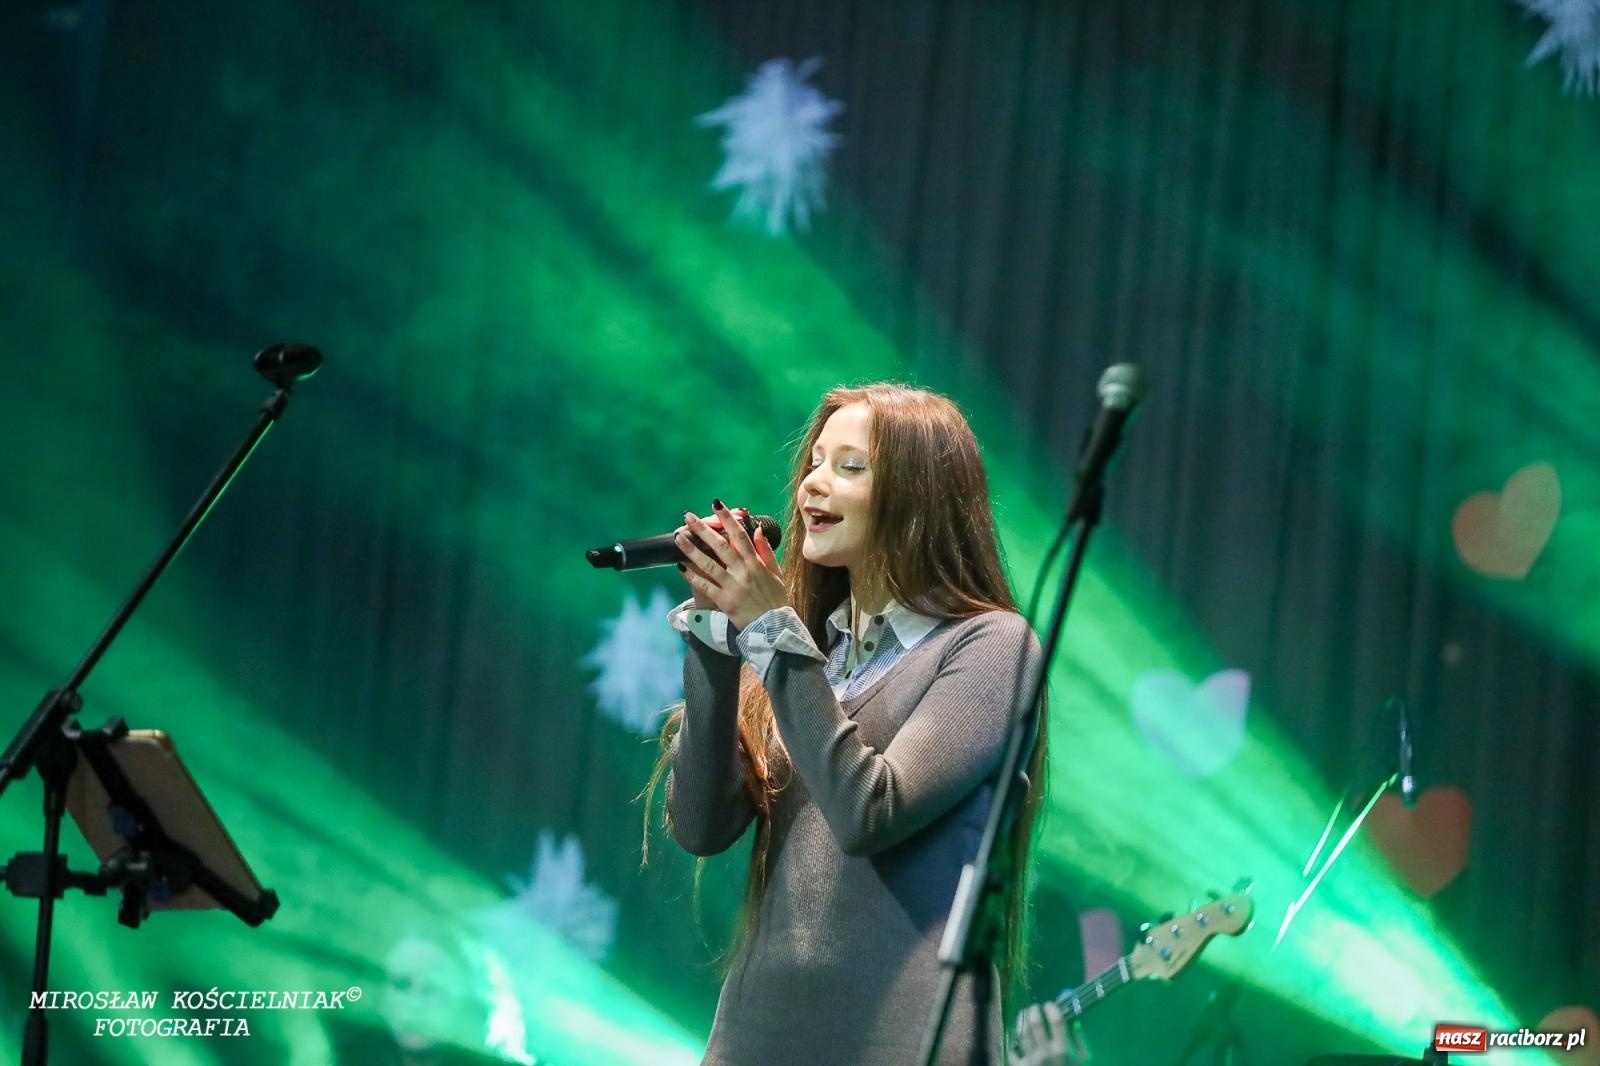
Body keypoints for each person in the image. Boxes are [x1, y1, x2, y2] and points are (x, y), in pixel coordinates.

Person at [651, 383, 1047, 1065]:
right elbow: (699, 826)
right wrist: (716, 648)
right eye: (813, 462)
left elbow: (871, 809)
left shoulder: (990, 645)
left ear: (919, 495)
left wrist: (772, 632)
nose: (812, 485)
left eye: (849, 467)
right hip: (759, 1037)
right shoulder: (808, 655)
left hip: (904, 1042)